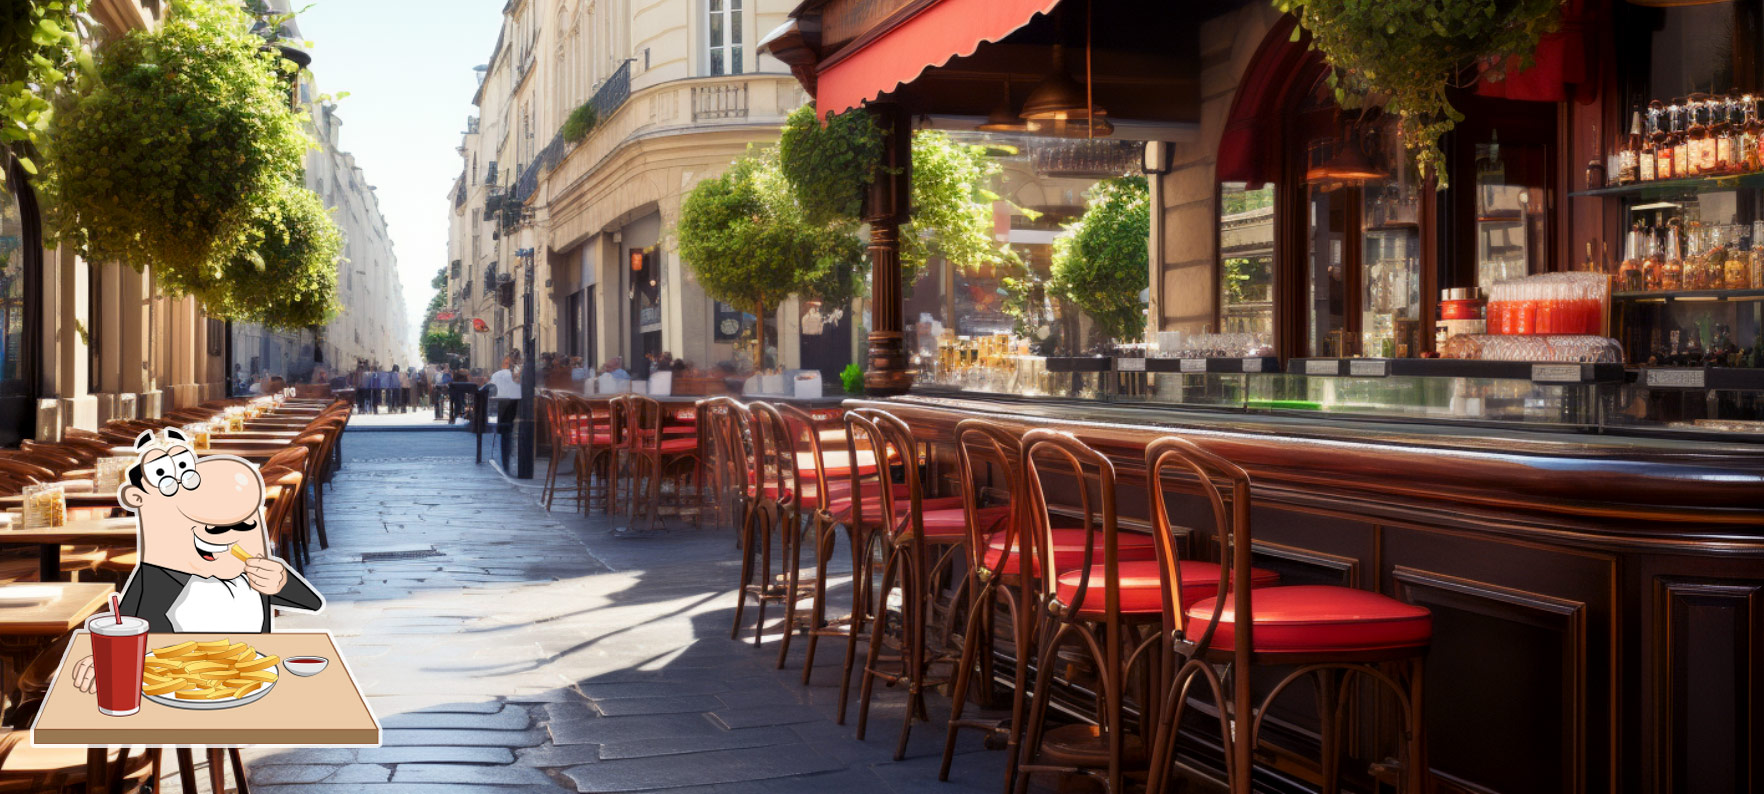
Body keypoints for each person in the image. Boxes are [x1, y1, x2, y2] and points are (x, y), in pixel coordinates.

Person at [486, 356, 522, 470]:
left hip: (498, 402)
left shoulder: (496, 374)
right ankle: (507, 454)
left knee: (502, 429)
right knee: (509, 429)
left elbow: (491, 388)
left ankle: (502, 455)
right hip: (512, 402)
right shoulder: (515, 375)